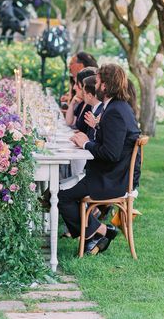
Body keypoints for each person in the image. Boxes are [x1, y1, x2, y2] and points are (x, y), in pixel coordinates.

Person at [58, 63, 140, 255]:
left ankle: (99, 232)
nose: (95, 86)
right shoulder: (118, 107)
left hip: (111, 180)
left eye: (98, 82)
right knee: (60, 188)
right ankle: (97, 233)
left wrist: (86, 143)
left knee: (62, 196)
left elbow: (111, 154)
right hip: (111, 175)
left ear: (104, 86)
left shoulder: (115, 112)